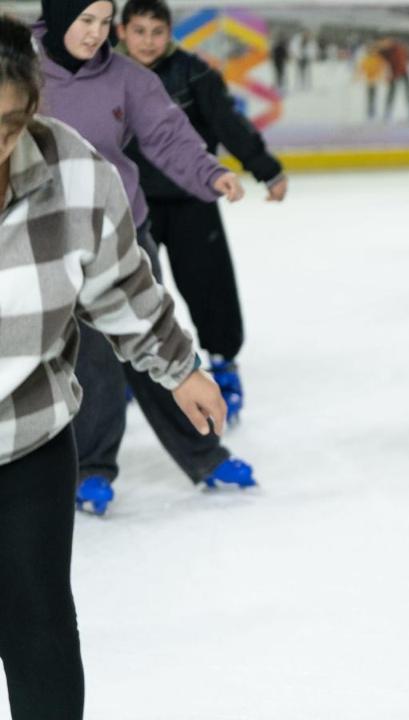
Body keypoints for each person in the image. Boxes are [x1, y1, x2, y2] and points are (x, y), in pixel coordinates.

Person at [0, 17, 226, 719]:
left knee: (39, 630)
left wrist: (179, 366)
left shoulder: (70, 170)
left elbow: (121, 287)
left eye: (8, 124)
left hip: (28, 438)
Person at [35, 0, 254, 516]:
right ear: (60, 18)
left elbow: (167, 133)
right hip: (53, 241)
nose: (96, 34)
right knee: (91, 360)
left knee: (160, 339)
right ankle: (91, 470)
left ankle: (205, 453)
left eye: (105, 22)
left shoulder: (125, 77)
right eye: (85, 21)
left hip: (124, 232)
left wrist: (208, 173)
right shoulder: (21, 69)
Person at [118, 0, 288, 425]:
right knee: (131, 291)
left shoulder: (193, 72)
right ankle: (128, 373)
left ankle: (223, 363)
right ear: (121, 32)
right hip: (132, 204)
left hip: (193, 200)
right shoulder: (107, 77)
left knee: (210, 287)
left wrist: (266, 170)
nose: (148, 41)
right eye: (139, 31)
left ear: (170, 32)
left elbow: (228, 123)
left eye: (157, 32)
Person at [379, 37, 409, 122]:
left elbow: (401, 62)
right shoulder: (384, 51)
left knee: (408, 92)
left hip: (402, 72)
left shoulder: (397, 49)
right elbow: (381, 62)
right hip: (393, 73)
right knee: (391, 93)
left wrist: (393, 75)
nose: (384, 44)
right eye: (383, 43)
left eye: (386, 42)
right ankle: (387, 112)